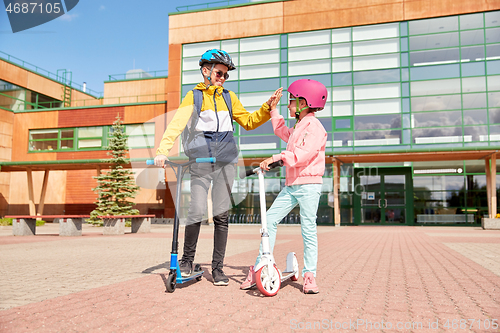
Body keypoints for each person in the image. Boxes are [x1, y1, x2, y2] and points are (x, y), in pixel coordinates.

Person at [154, 49, 281, 286]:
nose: (223, 77)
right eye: (220, 73)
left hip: (226, 163)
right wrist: (163, 151)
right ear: (206, 71)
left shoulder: (229, 97)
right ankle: (186, 261)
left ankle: (218, 268)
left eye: (226, 75)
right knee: (197, 210)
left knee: (221, 216)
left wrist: (267, 107)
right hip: (201, 163)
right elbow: (176, 125)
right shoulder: (194, 96)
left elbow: (249, 121)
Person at [240, 79, 328, 294]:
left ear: (304, 103)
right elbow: (283, 133)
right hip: (292, 185)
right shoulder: (299, 126)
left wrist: (275, 158)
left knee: (308, 229)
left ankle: (310, 275)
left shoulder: (314, 127)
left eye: (291, 101)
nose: (289, 105)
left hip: (308, 186)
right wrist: (273, 110)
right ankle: (262, 265)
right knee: (269, 220)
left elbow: (301, 154)